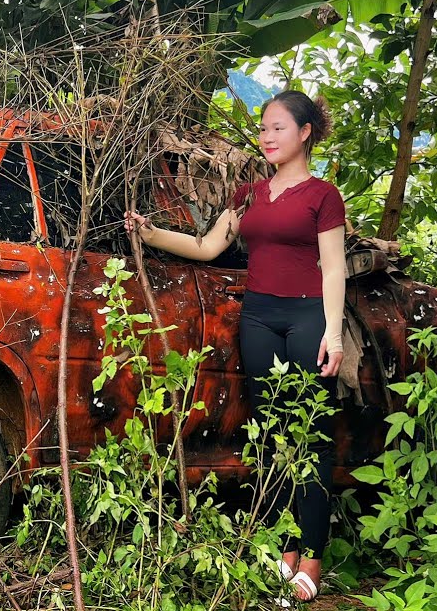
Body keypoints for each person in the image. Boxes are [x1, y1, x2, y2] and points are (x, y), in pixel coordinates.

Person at [123, 90, 346, 603]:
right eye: (263, 128)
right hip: (259, 318)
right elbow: (207, 247)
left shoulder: (322, 195)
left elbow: (334, 268)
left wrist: (333, 334)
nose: (267, 136)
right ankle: (285, 551)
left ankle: (312, 558)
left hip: (308, 316)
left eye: (278, 127)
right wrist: (152, 234)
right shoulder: (249, 194)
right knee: (272, 432)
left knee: (310, 435)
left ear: (305, 133)